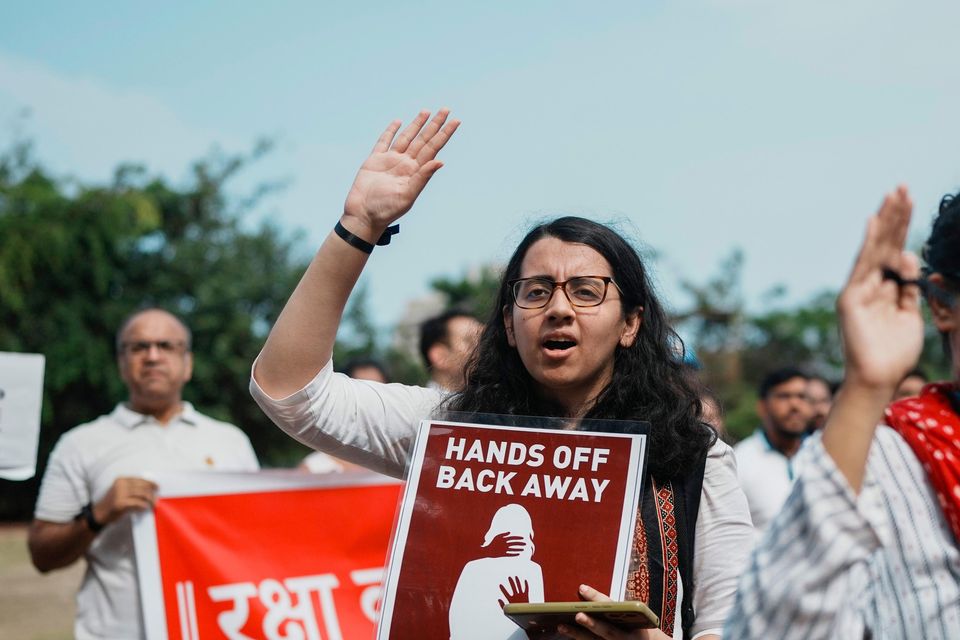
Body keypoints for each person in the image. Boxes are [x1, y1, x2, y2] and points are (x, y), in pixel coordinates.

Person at [251, 109, 753, 640]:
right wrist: (359, 228)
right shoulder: (453, 433)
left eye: (586, 292)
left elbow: (736, 628)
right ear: (510, 326)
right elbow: (290, 392)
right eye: (535, 291)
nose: (559, 309)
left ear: (630, 324)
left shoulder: (694, 458)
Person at [725, 187, 960, 638]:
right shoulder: (884, 464)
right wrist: (865, 388)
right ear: (941, 304)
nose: (797, 407)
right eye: (787, 398)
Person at [29, 308, 260, 639]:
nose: (152, 356)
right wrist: (98, 516)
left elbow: (255, 541)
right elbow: (41, 555)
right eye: (138, 347)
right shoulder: (79, 444)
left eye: (166, 346)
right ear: (121, 363)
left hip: (215, 627)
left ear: (188, 363)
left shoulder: (231, 441)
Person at [733, 367, 812, 532]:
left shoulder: (823, 454)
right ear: (762, 407)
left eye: (802, 397)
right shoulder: (739, 460)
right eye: (784, 396)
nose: (795, 405)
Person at [419, 309, 482, 391]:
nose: (483, 347)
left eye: (484, 338)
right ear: (440, 356)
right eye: (470, 341)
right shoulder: (422, 402)